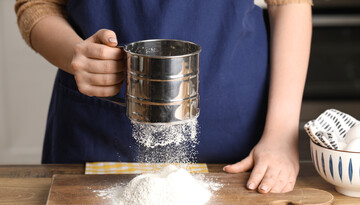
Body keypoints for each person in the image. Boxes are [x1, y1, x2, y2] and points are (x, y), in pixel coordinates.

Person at [15, 0, 312, 193]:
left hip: (235, 148)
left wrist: (281, 134)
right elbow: (36, 6)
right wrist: (74, 54)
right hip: (95, 138)